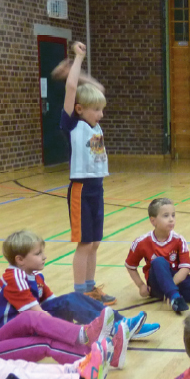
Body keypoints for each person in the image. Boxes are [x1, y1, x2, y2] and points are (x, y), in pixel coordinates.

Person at [0, 230, 158, 369]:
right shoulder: (14, 277)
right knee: (70, 303)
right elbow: (35, 316)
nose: (44, 257)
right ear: (20, 260)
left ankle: (123, 325)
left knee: (75, 298)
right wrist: (66, 330)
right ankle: (114, 330)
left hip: (32, 324)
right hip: (16, 334)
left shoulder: (34, 276)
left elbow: (54, 303)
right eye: (38, 254)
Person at [61, 41, 116, 306]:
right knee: (83, 244)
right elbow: (72, 89)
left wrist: (81, 74)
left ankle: (91, 288)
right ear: (80, 109)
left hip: (97, 189)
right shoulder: (73, 125)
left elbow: (98, 91)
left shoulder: (94, 125)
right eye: (96, 110)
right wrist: (78, 58)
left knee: (93, 243)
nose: (101, 114)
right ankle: (79, 292)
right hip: (81, 190)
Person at [126, 198, 190, 314]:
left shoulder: (179, 240)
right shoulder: (141, 242)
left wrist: (170, 285)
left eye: (173, 215)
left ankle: (173, 294)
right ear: (153, 221)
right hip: (156, 285)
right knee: (159, 261)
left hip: (176, 280)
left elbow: (185, 268)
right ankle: (175, 298)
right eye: (166, 216)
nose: (171, 219)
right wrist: (141, 285)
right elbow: (130, 265)